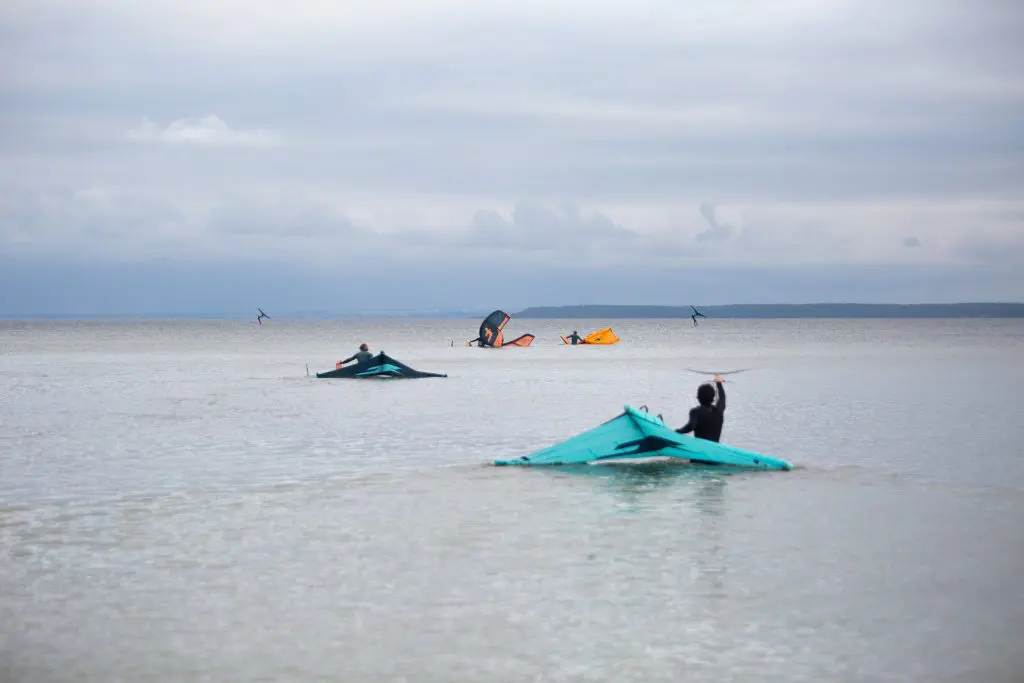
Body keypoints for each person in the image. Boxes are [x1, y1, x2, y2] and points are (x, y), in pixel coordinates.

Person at [676, 375, 726, 442]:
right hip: (715, 447)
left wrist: (678, 431)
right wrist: (719, 384)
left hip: (700, 448)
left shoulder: (695, 412)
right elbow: (722, 398)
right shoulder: (719, 410)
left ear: (698, 397)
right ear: (713, 397)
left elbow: (691, 426)